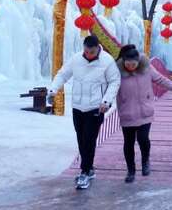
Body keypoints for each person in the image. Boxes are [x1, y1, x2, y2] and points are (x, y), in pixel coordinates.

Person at [48, 35, 120, 190]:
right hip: (77, 107)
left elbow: (115, 81)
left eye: (91, 52)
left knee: (89, 139)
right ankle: (89, 168)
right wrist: (53, 89)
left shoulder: (107, 61)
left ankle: (85, 172)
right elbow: (63, 74)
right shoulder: (76, 59)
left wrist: (106, 101)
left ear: (98, 48)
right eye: (86, 51)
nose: (88, 55)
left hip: (96, 107)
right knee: (81, 139)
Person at [116, 44, 172, 183]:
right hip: (127, 112)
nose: (130, 67)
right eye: (128, 64)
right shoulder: (117, 71)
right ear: (123, 61)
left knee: (143, 139)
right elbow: (109, 87)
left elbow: (160, 79)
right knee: (128, 142)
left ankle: (145, 161)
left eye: (133, 64)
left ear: (138, 62)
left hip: (145, 111)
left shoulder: (146, 68)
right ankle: (131, 171)